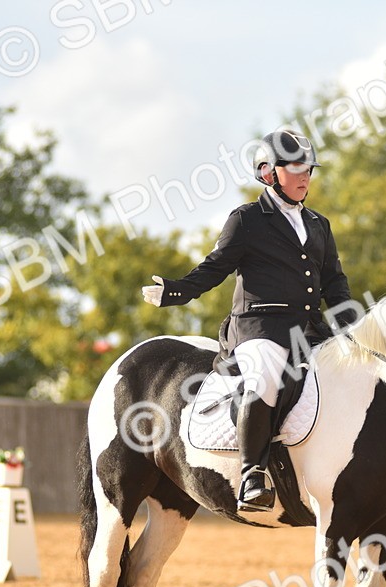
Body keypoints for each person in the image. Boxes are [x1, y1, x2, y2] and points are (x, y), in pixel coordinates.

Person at [141, 128, 357, 512]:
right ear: (269, 173)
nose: (306, 176)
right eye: (296, 168)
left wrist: (352, 325)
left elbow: (334, 281)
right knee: (266, 376)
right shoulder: (247, 219)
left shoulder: (319, 224)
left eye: (309, 168)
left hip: (308, 331)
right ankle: (253, 474)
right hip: (258, 328)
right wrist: (176, 291)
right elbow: (215, 268)